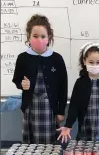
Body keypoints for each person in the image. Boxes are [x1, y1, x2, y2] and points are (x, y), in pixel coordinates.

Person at [12, 14, 68, 144]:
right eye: (35, 36)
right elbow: (17, 79)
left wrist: (60, 111)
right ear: (29, 37)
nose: (39, 40)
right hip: (30, 108)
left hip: (49, 109)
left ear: (49, 38)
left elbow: (63, 86)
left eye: (43, 36)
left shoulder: (56, 59)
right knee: (29, 144)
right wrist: (22, 84)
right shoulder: (23, 58)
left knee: (49, 145)